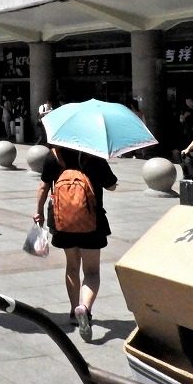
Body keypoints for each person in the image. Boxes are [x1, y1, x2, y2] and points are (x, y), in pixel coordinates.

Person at [33, 145, 117, 341]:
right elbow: (111, 185)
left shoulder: (54, 156)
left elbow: (44, 186)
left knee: (72, 267)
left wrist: (38, 212)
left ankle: (73, 311)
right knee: (92, 271)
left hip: (62, 221)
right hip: (92, 222)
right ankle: (85, 309)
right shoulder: (94, 157)